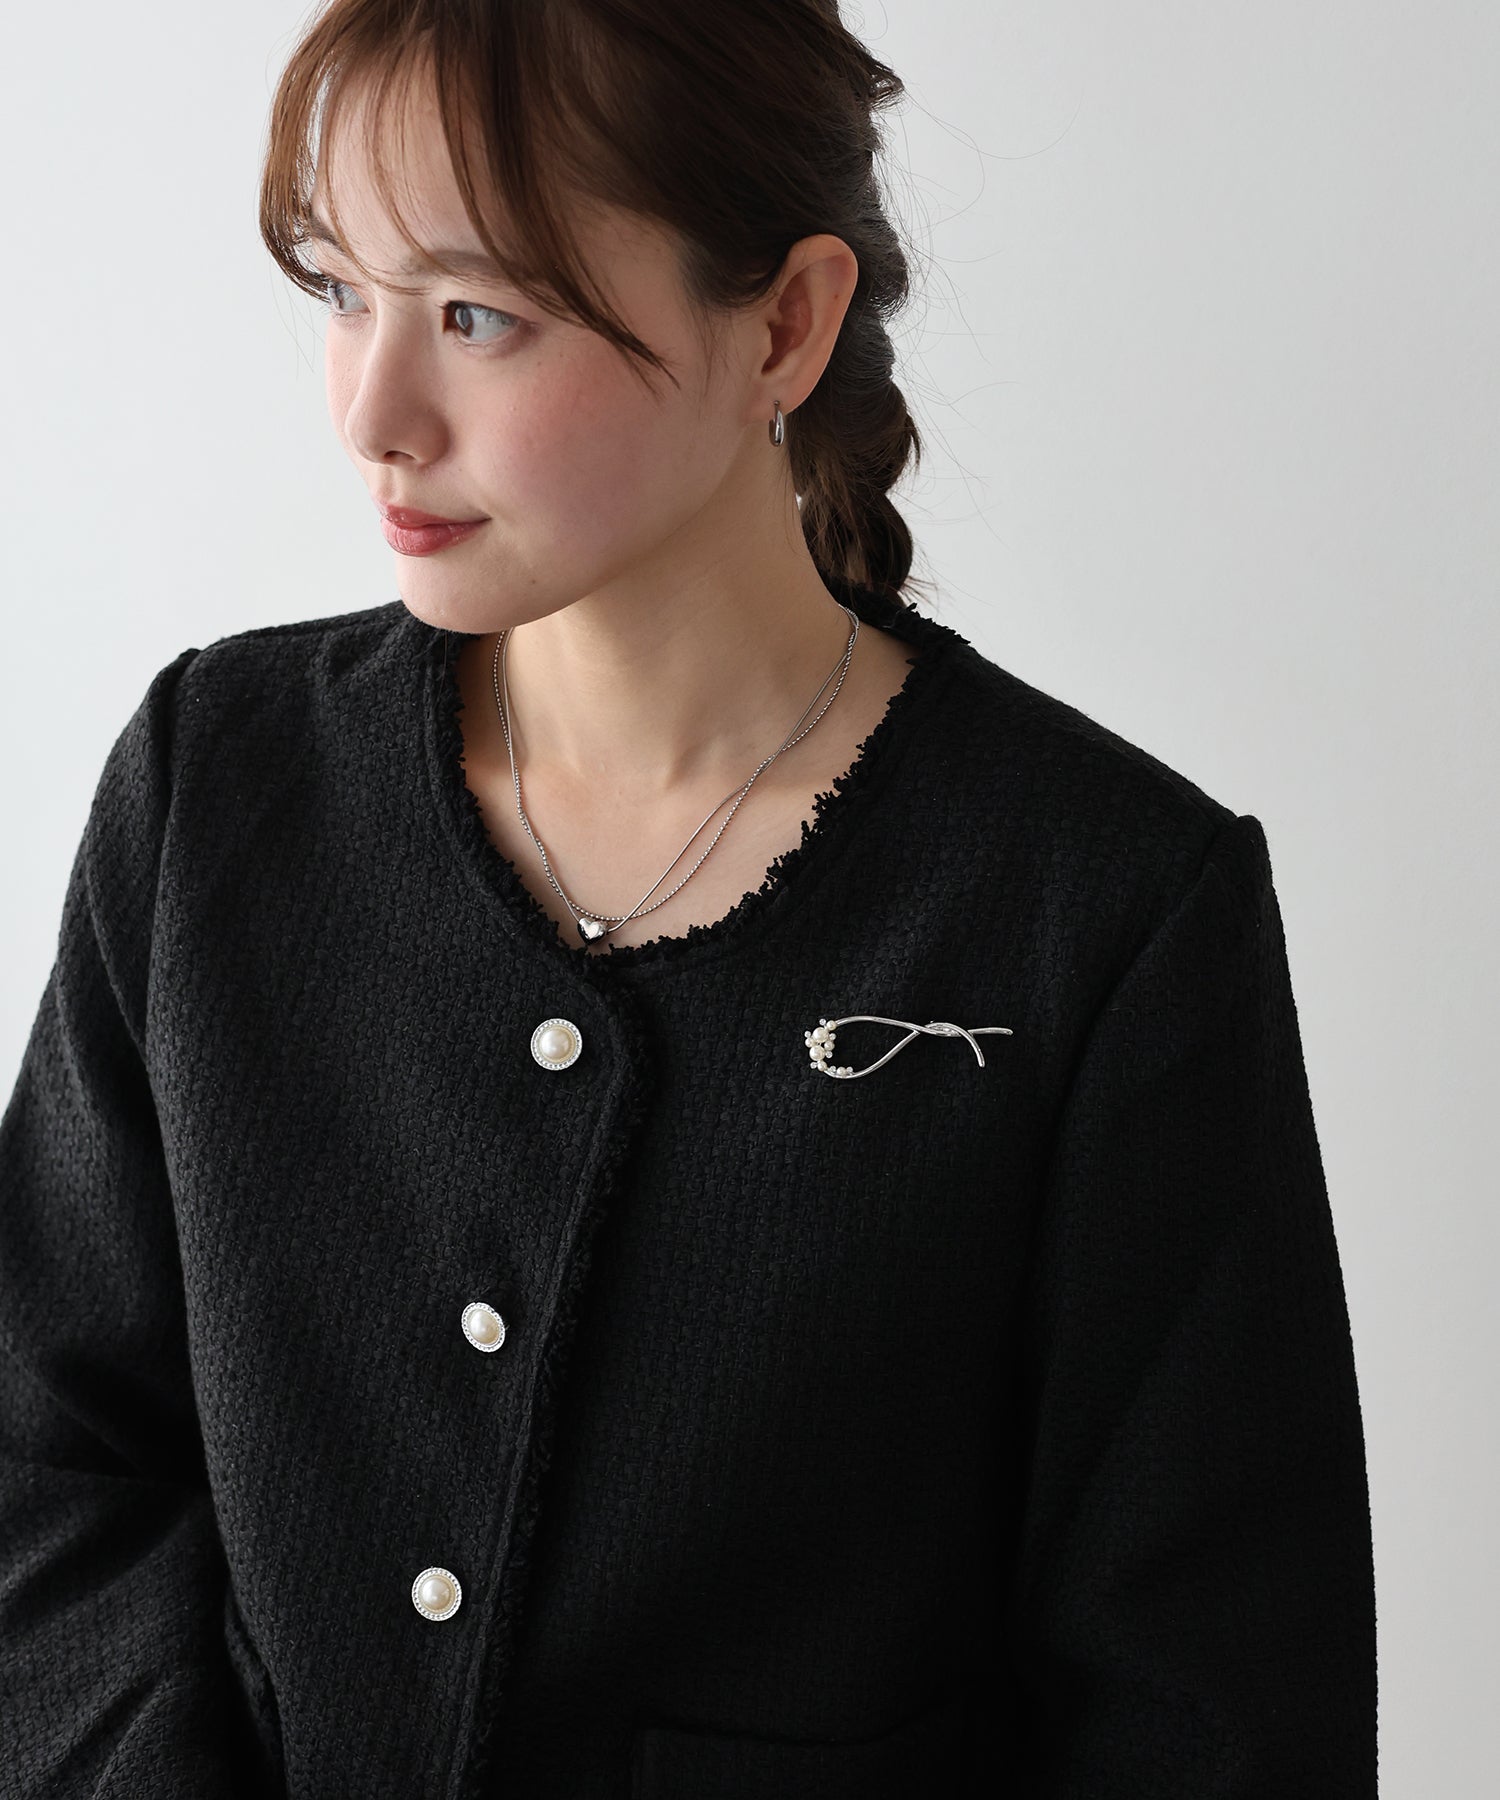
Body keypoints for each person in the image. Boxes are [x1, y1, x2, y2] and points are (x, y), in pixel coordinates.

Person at [0, 3, 1377, 1796]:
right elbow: (47, 1465)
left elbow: (1218, 1709)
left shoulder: (1103, 909)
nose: (370, 413)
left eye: (477, 315)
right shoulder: (216, 786)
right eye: (341, 289)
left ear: (783, 325)